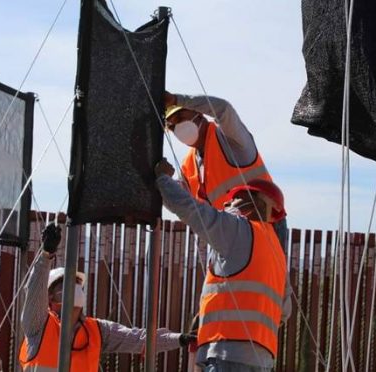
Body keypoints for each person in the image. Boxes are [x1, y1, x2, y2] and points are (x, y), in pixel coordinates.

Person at [155, 158, 291, 372]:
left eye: (234, 200)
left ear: (251, 202)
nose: (227, 205)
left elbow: (191, 210)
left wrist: (162, 179)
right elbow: (283, 311)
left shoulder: (238, 229)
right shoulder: (277, 253)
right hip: (262, 360)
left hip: (227, 355)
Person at [19, 224, 196, 371]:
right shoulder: (38, 325)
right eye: (64, 285)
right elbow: (34, 294)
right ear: (49, 296)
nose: (73, 290)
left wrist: (180, 339)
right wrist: (45, 255)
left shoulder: (97, 330)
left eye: (77, 284)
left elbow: (139, 339)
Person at [163, 92, 289, 250]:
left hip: (264, 226)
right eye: (172, 125)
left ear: (199, 113)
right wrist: (163, 180)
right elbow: (181, 200)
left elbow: (224, 109)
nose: (178, 127)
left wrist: (177, 100)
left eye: (181, 118)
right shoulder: (189, 164)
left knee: (265, 273)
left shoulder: (231, 141)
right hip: (230, 235)